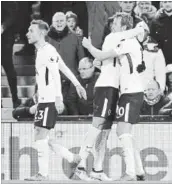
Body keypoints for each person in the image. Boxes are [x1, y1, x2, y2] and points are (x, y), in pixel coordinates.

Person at [81, 13, 148, 181]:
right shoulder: (129, 40)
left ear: (124, 27)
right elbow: (108, 60)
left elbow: (103, 55)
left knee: (122, 131)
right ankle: (139, 171)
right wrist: (101, 63)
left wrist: (89, 47)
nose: (112, 26)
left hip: (130, 92)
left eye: (116, 23)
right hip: (127, 90)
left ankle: (130, 173)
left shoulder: (127, 41)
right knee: (125, 132)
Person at [24, 19, 87, 181]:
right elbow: (64, 67)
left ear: (42, 32)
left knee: (40, 135)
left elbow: (55, 74)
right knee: (45, 139)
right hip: (45, 99)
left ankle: (43, 174)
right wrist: (78, 84)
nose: (27, 34)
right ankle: (73, 158)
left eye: (31, 31)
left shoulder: (47, 51)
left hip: (50, 100)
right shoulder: (44, 50)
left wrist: (58, 98)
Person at [47, 12, 85, 98]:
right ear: (53, 23)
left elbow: (81, 58)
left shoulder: (75, 37)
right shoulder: (46, 38)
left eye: (61, 21)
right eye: (57, 21)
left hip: (71, 80)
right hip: (51, 80)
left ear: (65, 22)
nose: (59, 23)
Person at [1, 1, 21, 108]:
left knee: (8, 67)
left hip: (5, 38)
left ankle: (15, 99)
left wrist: (3, 27)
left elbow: (12, 13)